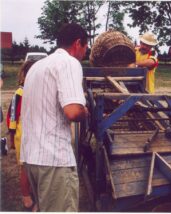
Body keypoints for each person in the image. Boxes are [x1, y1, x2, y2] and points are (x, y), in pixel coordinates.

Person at [20, 23, 89, 212]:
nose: (85, 53)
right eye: (85, 47)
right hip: (54, 161)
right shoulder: (68, 63)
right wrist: (85, 111)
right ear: (77, 43)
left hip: (32, 158)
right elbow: (73, 111)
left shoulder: (36, 67)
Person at [6, 60, 37, 211]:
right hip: (23, 136)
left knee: (33, 166)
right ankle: (26, 196)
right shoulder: (19, 93)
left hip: (36, 136)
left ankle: (32, 192)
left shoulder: (37, 92)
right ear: (24, 75)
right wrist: (12, 138)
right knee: (25, 167)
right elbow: (12, 117)